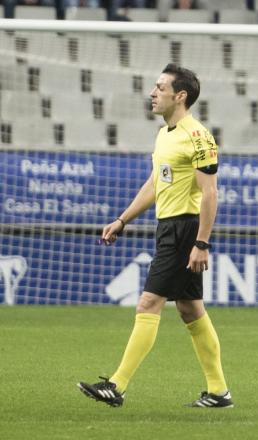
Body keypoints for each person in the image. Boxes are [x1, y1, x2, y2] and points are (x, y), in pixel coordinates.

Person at [77, 64, 232, 409]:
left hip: (185, 229)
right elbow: (155, 183)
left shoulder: (198, 136)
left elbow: (210, 194)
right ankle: (219, 391)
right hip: (169, 227)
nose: (152, 92)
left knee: (148, 303)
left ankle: (116, 385)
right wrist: (123, 219)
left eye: (160, 87)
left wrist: (201, 243)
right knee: (191, 310)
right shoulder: (165, 133)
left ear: (180, 96)